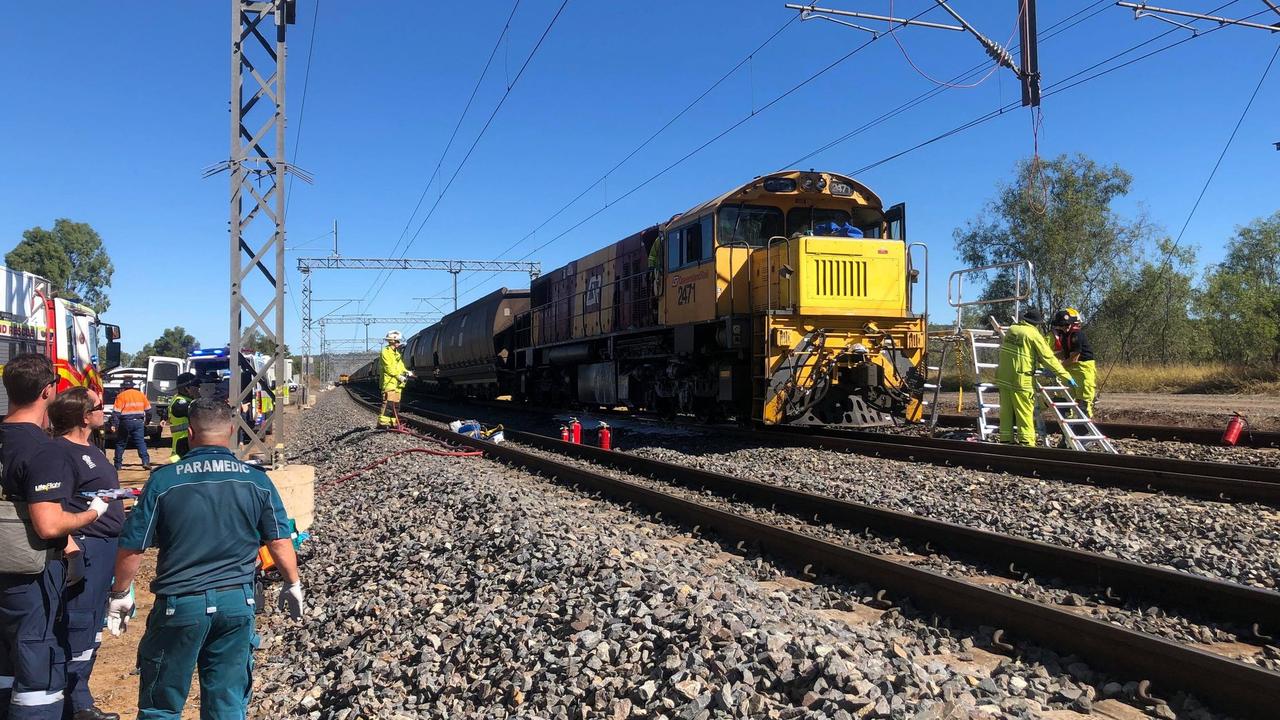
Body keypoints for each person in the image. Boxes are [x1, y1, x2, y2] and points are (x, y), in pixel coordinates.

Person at [106, 399, 303, 719]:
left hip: (180, 606)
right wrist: (292, 583)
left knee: (161, 706)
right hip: (237, 604)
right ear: (230, 431)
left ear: (191, 433)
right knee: (226, 703)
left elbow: (133, 546)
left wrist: (120, 593)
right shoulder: (256, 480)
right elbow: (279, 540)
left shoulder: (164, 480)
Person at [0, 354, 111, 720]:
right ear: (48, 391)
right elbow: (48, 525)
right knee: (37, 678)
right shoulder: (43, 450)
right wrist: (91, 513)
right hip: (28, 578)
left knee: (5, 667)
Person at [48, 388, 125, 720]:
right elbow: (56, 505)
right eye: (99, 407)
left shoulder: (91, 448)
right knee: (77, 623)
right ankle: (74, 704)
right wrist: (69, 543)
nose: (104, 412)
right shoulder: (61, 453)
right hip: (87, 547)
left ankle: (81, 697)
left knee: (93, 624)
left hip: (106, 547)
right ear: (84, 416)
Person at [994, 309, 1077, 446]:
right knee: (1024, 412)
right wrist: (1065, 375)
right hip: (1021, 379)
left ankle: (1005, 441)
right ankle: (1026, 444)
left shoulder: (1012, 330)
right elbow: (1048, 357)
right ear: (1036, 323)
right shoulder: (1033, 334)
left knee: (1006, 412)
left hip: (1003, 377)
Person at [1051, 308, 1097, 417]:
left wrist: (1057, 367)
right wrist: (1049, 359)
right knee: (1064, 398)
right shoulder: (1063, 335)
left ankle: (1084, 431)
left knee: (1083, 401)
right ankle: (1068, 427)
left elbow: (1074, 357)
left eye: (1066, 325)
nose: (1064, 328)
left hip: (1083, 369)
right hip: (1069, 369)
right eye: (1061, 325)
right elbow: (1065, 353)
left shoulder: (1077, 335)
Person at [111, 378, 152, 471]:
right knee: (140, 442)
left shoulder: (121, 396)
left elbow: (116, 413)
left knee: (121, 443)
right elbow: (149, 411)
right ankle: (145, 462)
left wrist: (114, 425)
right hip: (138, 422)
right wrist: (147, 422)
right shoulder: (141, 395)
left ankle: (118, 465)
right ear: (133, 386)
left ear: (124, 387)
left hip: (125, 422)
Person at [377, 331, 410, 429]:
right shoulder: (385, 352)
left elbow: (400, 366)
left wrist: (406, 372)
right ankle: (383, 423)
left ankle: (393, 422)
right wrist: (398, 376)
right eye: (397, 341)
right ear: (392, 341)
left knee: (396, 405)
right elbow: (389, 368)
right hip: (389, 383)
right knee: (388, 404)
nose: (399, 343)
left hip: (397, 384)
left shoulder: (397, 354)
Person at [166, 372, 199, 462]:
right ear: (187, 388)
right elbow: (200, 414)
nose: (199, 389)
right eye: (196, 386)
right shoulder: (180, 403)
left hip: (186, 443)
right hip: (183, 445)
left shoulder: (186, 401)